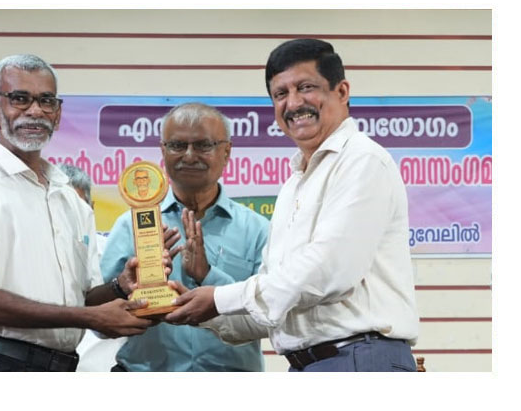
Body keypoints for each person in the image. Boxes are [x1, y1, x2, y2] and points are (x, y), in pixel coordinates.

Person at [165, 39, 420, 372]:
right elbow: (275, 309)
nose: (294, 103)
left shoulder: (363, 161)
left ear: (342, 92)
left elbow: (329, 270)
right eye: (280, 94)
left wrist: (217, 298)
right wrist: (194, 311)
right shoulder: (294, 182)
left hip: (359, 359)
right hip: (310, 364)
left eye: (306, 87)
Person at [0, 54, 155, 372]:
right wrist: (88, 317)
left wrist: (120, 285)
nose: (35, 111)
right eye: (20, 98)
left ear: (58, 114)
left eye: (46, 100)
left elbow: (84, 298)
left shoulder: (71, 200)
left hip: (62, 367)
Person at [101, 102, 269, 371]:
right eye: (178, 145)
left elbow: (268, 316)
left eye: (203, 145)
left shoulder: (259, 229)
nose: (189, 156)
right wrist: (131, 289)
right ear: (162, 151)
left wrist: (208, 276)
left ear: (227, 151)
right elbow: (101, 326)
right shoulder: (132, 226)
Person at [56, 162, 127, 372]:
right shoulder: (32, 254)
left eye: (77, 208)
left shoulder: (115, 254)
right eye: (61, 209)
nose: (69, 219)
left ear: (92, 208)